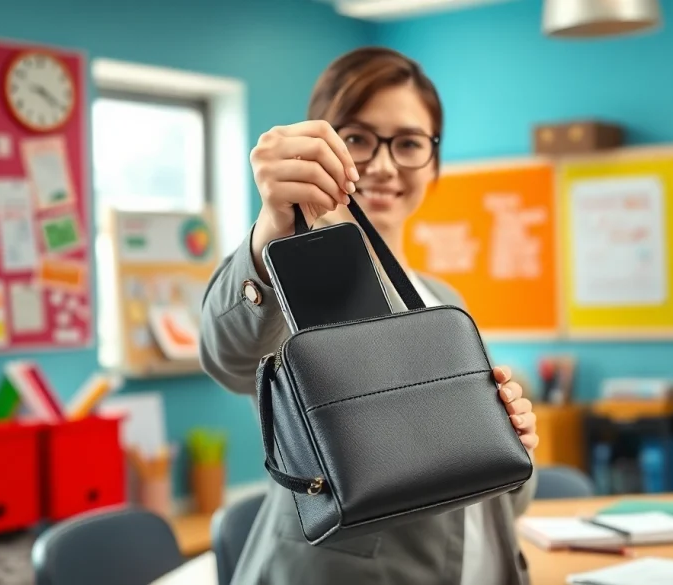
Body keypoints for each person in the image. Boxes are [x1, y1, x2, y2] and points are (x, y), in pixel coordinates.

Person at [199, 46, 540, 585]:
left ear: (433, 160)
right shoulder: (296, 276)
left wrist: (511, 442)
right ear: (318, 145)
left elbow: (496, 503)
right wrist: (270, 235)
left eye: (407, 144)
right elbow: (228, 356)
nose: (382, 166)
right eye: (356, 139)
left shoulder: (445, 300)